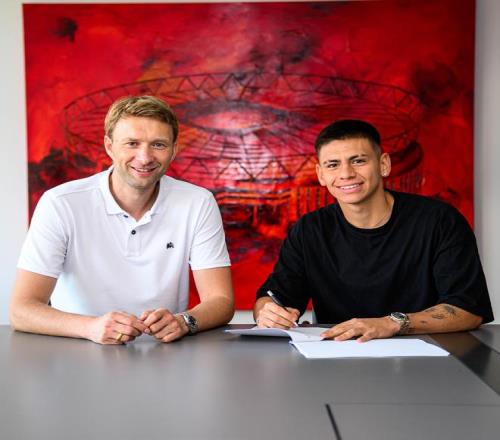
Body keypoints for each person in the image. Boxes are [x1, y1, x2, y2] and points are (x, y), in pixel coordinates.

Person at [10, 95, 234, 344]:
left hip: (165, 351)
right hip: (77, 347)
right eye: (132, 143)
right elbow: (21, 309)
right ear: (109, 146)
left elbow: (221, 301)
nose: (145, 157)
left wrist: (184, 321)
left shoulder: (198, 202)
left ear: (174, 149)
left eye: (158, 145)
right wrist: (91, 327)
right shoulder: (60, 203)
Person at [254, 119, 493, 341]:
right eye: (333, 165)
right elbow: (273, 297)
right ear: (321, 175)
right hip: (338, 357)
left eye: (358, 161)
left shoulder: (439, 220)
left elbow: (468, 310)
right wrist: (267, 313)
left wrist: (390, 323)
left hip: (430, 356)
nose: (346, 174)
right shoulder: (309, 230)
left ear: (383, 164)